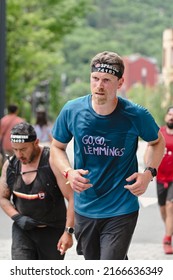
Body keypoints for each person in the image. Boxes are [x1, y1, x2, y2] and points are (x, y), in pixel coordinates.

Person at [50, 51, 165, 260]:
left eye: (106, 80)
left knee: (109, 265)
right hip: (85, 206)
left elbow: (157, 142)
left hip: (121, 205)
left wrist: (148, 173)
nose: (99, 86)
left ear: (120, 82)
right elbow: (56, 148)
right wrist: (69, 172)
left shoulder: (136, 114)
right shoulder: (72, 110)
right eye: (95, 79)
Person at [0, 122, 74, 260]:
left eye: (23, 149)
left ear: (36, 143)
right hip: (23, 231)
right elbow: (2, 198)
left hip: (52, 231)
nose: (19, 154)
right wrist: (18, 218)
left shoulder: (52, 161)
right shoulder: (10, 165)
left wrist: (68, 232)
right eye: (15, 149)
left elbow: (72, 197)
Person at [156, 106, 173, 254]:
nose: (171, 117)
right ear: (166, 117)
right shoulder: (159, 133)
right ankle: (170, 228)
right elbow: (151, 149)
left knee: (170, 205)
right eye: (169, 114)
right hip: (160, 178)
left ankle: (167, 239)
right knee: (163, 210)